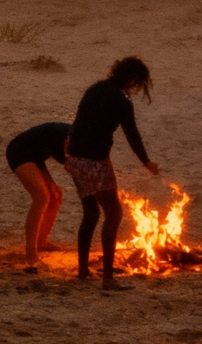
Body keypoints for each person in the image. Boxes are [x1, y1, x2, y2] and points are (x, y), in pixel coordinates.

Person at [65, 57, 160, 286]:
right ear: (132, 79)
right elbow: (132, 135)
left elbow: (79, 123)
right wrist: (146, 162)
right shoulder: (121, 102)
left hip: (74, 158)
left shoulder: (94, 88)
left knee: (91, 213)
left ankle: (83, 270)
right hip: (95, 161)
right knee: (114, 213)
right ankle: (108, 278)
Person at [4, 120, 71, 271]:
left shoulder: (87, 144)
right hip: (19, 151)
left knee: (56, 195)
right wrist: (68, 159)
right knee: (41, 197)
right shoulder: (75, 137)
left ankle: (42, 242)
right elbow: (69, 140)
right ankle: (31, 254)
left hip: (37, 155)